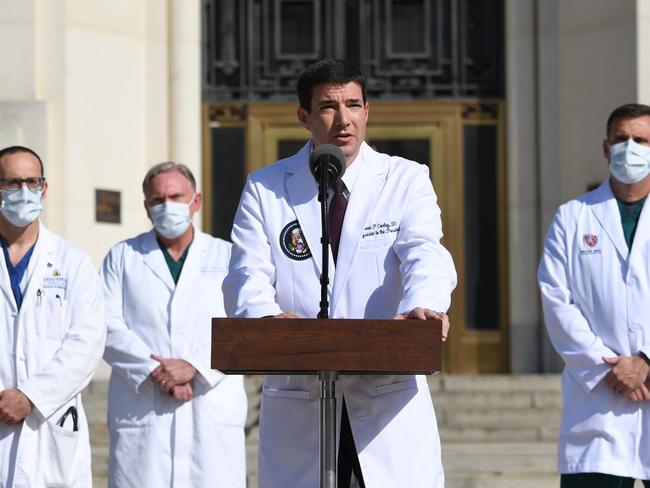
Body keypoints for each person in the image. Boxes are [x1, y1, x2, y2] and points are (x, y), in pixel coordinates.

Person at [223, 59, 457, 488]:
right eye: (328, 107)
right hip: (300, 394)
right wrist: (266, 321)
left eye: (353, 104)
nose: (343, 120)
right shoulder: (266, 187)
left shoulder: (404, 179)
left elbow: (426, 253)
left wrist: (423, 305)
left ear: (367, 110)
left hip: (385, 394)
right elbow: (246, 274)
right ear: (304, 117)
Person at [101, 162, 247, 488]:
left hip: (209, 404)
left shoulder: (229, 257)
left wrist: (194, 365)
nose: (166, 206)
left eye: (176, 196)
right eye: (157, 200)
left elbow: (242, 324)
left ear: (195, 202)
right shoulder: (122, 257)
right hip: (143, 406)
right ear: (146, 207)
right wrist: (158, 372)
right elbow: (106, 325)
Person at [538, 103, 650, 487]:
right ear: (605, 148)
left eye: (641, 140)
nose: (630, 148)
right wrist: (609, 367)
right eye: (621, 139)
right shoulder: (572, 217)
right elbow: (556, 298)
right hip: (598, 404)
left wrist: (646, 362)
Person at [0, 145, 105, 487]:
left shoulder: (72, 261)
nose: (24, 191)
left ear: (45, 189)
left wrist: (31, 396)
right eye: (12, 183)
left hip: (50, 421)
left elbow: (86, 343)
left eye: (32, 182)